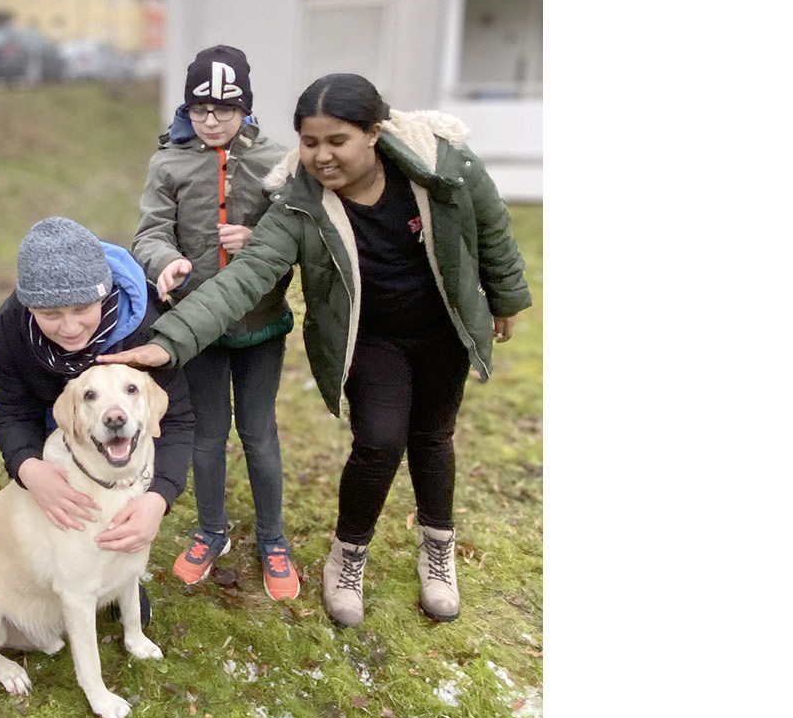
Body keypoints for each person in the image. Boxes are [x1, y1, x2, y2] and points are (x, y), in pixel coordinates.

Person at [101, 73, 532, 627]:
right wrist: (169, 343)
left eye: (336, 141)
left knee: (432, 436)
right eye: (309, 142)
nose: (321, 156)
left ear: (373, 133)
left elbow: (491, 226)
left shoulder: (440, 163)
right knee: (378, 440)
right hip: (368, 335)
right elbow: (246, 279)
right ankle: (347, 556)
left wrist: (506, 297)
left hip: (443, 327)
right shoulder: (298, 203)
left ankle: (438, 550)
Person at [132, 46, 298, 599]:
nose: (211, 120)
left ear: (245, 108)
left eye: (225, 109)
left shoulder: (278, 160)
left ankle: (273, 539)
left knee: (258, 433)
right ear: (188, 107)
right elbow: (150, 232)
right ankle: (210, 529)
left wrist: (258, 240)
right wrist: (165, 260)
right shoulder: (169, 162)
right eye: (201, 108)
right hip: (196, 328)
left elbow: (297, 231)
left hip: (261, 322)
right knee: (207, 435)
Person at [0, 217, 195, 620]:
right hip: (57, 421)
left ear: (105, 294)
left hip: (123, 433)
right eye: (50, 315)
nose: (69, 328)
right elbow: (14, 411)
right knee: (60, 506)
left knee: (124, 492)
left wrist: (159, 498)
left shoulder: (149, 324)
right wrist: (28, 469)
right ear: (28, 307)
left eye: (83, 309)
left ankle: (119, 571)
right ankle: (70, 567)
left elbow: (179, 418)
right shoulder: (9, 330)